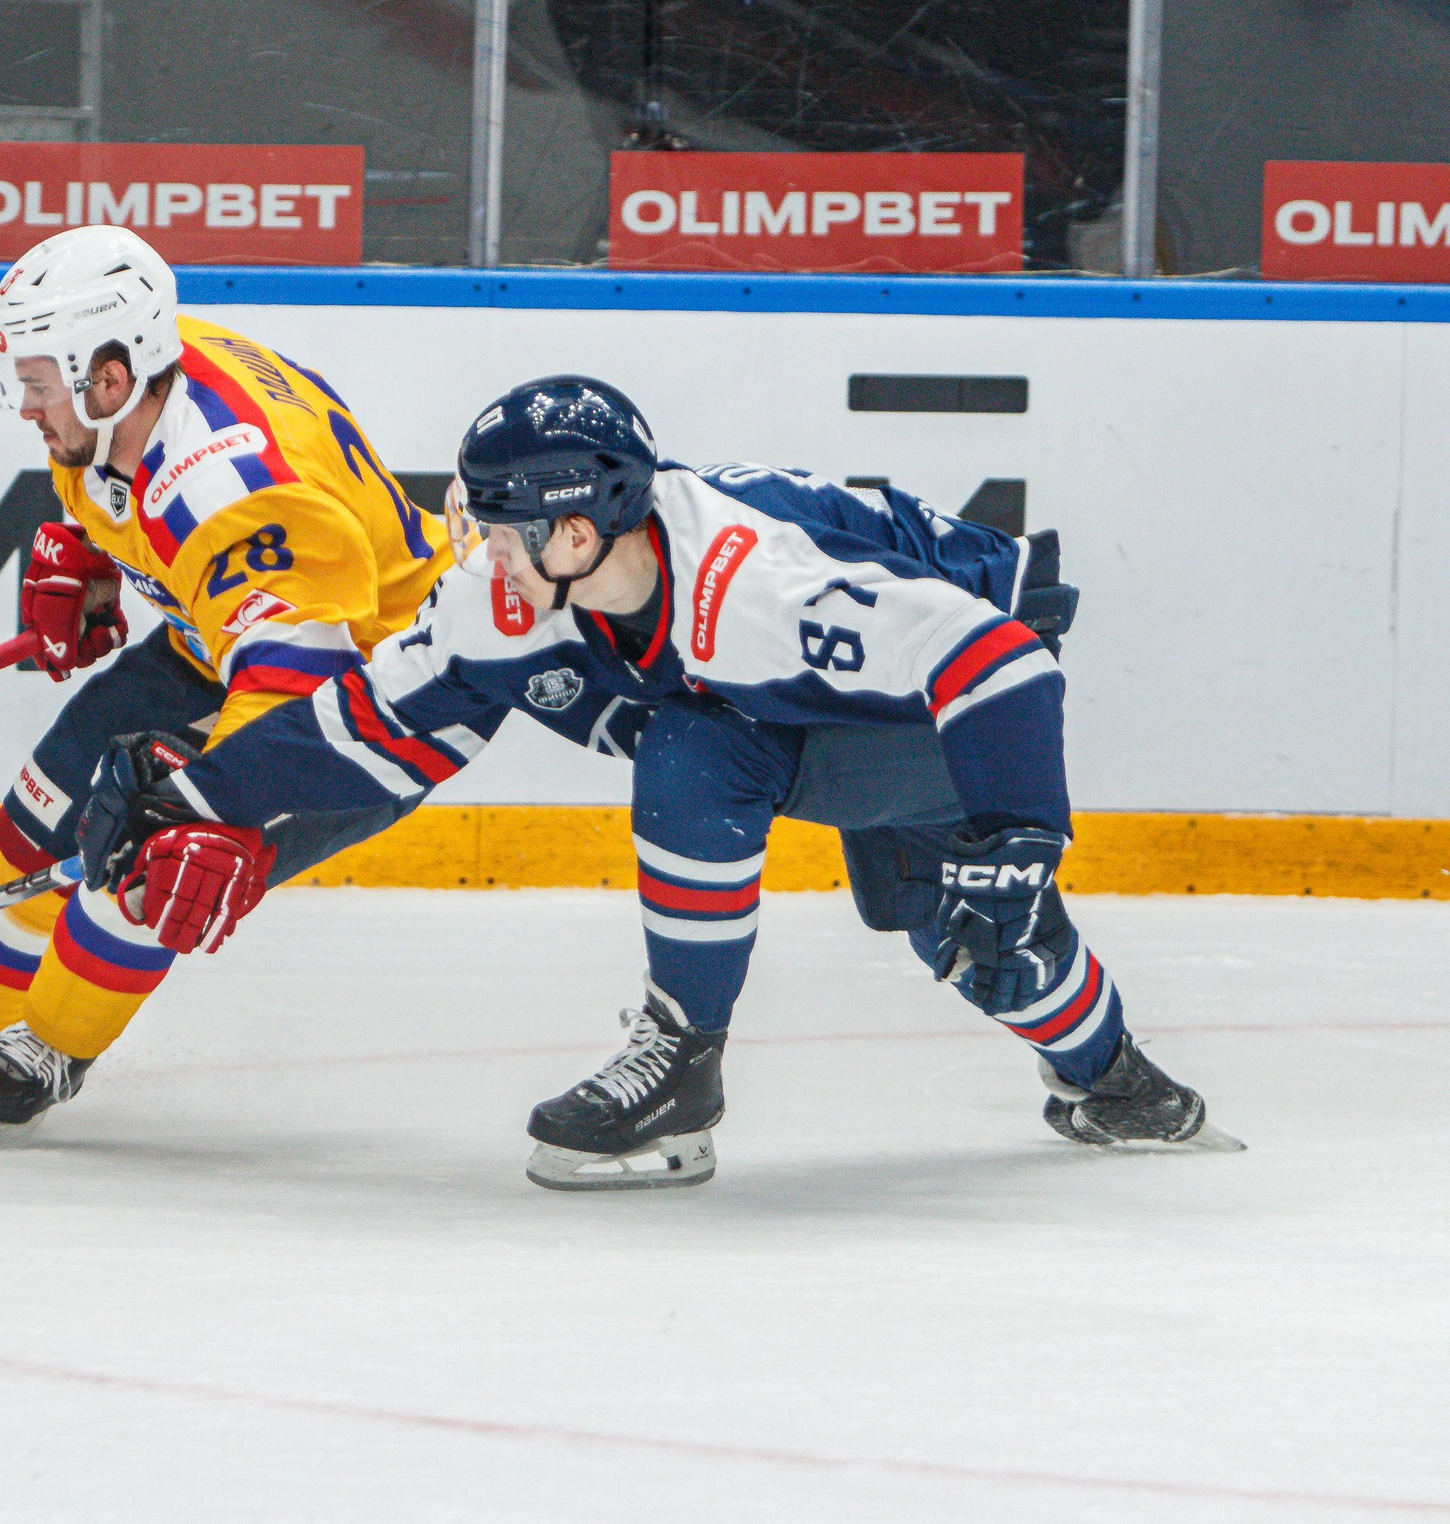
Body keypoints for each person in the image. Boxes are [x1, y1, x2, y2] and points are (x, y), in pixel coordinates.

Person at [83, 374, 1236, 1188]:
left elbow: (996, 659)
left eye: (495, 525)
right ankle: (1120, 1085)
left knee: (700, 754)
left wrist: (1021, 831)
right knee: (975, 945)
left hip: (944, 689)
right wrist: (189, 794)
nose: (476, 547)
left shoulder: (752, 585)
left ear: (578, 536)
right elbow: (368, 728)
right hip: (812, 705)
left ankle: (681, 1060)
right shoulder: (513, 600)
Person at [0, 224, 462, 1142]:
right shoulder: (129, 383)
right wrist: (94, 556)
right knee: (41, 818)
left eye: (37, 383)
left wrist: (201, 804)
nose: (23, 405)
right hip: (220, 642)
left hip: (364, 695)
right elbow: (140, 502)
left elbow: (294, 689)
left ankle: (54, 1041)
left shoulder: (242, 490)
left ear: (110, 377)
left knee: (156, 858)